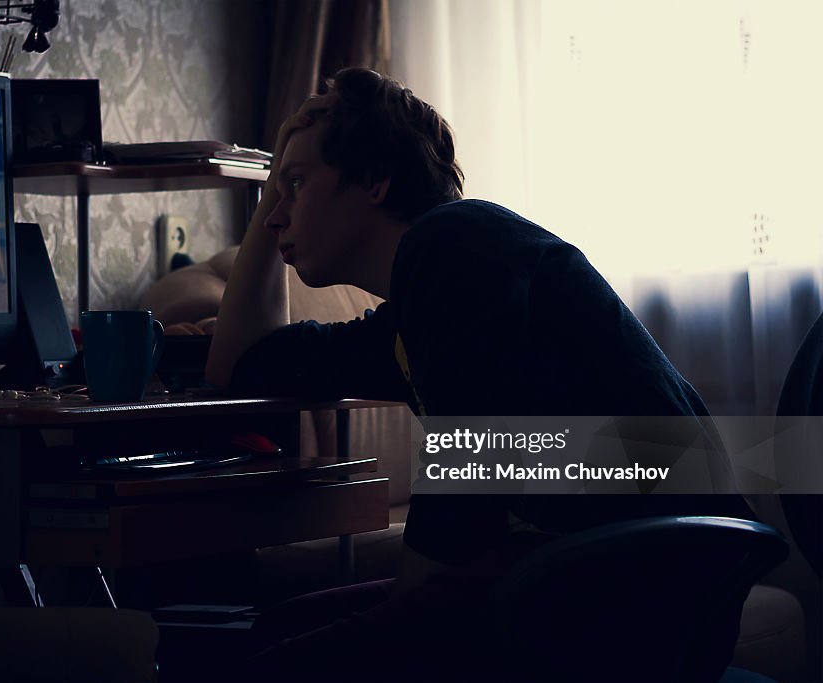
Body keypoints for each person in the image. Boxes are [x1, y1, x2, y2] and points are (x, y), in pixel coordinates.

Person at [206, 68, 755, 681]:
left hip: (641, 591)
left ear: (376, 182)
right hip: (601, 580)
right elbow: (241, 364)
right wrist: (278, 174)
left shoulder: (457, 246)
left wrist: (403, 620)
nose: (277, 217)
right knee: (275, 629)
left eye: (299, 186)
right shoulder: (417, 318)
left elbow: (462, 490)